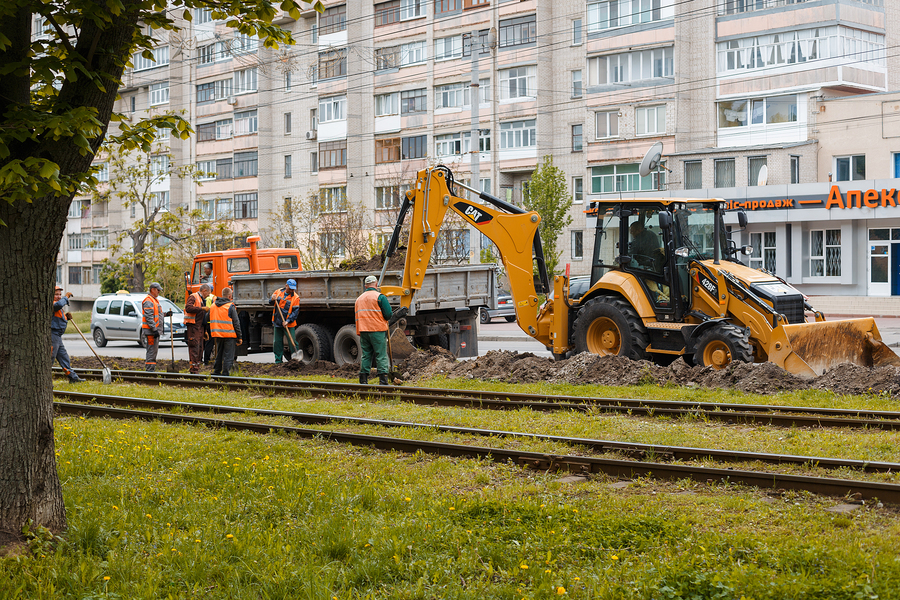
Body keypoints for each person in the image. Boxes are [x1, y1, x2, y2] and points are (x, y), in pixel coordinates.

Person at [354, 275, 392, 385]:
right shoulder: (380, 297)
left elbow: (357, 316)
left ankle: (363, 380)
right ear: (376, 284)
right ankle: (383, 381)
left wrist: (359, 330)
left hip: (363, 330)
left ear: (365, 286)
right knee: (381, 355)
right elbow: (388, 314)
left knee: (366, 355)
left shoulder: (359, 299)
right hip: (377, 330)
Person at [51, 286, 82, 383]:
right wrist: (66, 297)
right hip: (52, 335)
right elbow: (58, 306)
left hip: (57, 336)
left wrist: (65, 318)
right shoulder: (51, 303)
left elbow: (57, 318)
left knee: (64, 357)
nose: (59, 296)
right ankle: (44, 380)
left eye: (60, 295)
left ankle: (73, 378)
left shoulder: (58, 305)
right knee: (50, 358)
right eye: (56, 294)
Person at [210, 287, 242, 377]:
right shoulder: (230, 306)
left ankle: (216, 371)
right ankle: (225, 373)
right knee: (228, 355)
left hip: (218, 334)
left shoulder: (213, 305)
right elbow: (236, 323)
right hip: (229, 334)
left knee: (219, 353)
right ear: (229, 296)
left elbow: (207, 317)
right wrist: (239, 337)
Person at [268, 279, 300, 364]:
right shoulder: (278, 292)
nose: (292, 290)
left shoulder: (296, 297)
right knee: (277, 343)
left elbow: (295, 313)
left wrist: (288, 321)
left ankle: (295, 361)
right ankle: (278, 361)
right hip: (277, 322)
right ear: (286, 286)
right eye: (290, 289)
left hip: (289, 324)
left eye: (293, 289)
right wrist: (272, 299)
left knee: (292, 341)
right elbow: (270, 302)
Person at [142, 282, 172, 372]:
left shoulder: (154, 300)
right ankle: (150, 371)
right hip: (151, 331)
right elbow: (149, 317)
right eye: (158, 290)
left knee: (153, 351)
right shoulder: (148, 301)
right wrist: (154, 329)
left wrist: (166, 314)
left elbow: (157, 314)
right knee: (151, 351)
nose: (159, 292)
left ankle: (151, 370)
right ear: (153, 289)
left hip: (153, 331)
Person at [184, 283, 211, 374]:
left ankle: (196, 369)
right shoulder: (193, 297)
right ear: (204, 291)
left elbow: (202, 318)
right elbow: (188, 308)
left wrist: (205, 331)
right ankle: (193, 370)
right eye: (208, 293)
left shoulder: (201, 299)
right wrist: (202, 308)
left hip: (199, 328)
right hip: (193, 327)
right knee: (194, 347)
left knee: (199, 348)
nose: (209, 295)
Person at [203, 289, 217, 365]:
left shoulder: (205, 298)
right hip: (211, 322)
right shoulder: (213, 297)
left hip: (206, 322)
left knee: (207, 342)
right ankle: (206, 360)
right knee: (210, 342)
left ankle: (205, 359)